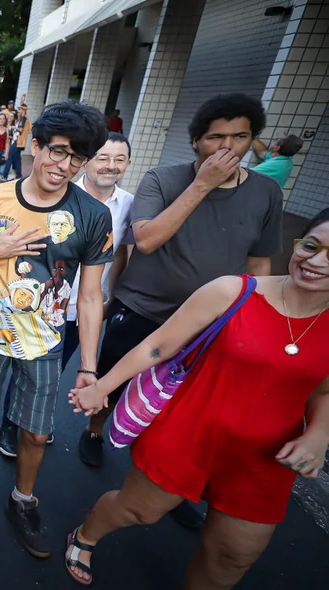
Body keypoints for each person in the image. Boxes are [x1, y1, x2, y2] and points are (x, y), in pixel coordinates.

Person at [64, 210, 329, 587]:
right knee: (137, 511)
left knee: (233, 556)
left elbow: (324, 391)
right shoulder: (234, 291)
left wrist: (318, 435)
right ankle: (84, 535)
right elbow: (158, 347)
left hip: (266, 459)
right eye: (311, 245)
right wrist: (100, 388)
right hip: (187, 434)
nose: (315, 261)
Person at [77, 93, 283, 529]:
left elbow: (261, 265)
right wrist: (202, 185)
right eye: (216, 137)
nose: (227, 147)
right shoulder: (163, 179)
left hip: (212, 326)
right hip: (142, 309)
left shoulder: (266, 192)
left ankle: (157, 482)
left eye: (240, 137)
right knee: (112, 380)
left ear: (253, 140)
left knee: (178, 407)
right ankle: (95, 431)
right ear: (195, 142)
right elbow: (147, 239)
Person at [0, 102, 112, 558]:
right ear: (35, 146)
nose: (65, 167)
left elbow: (89, 295)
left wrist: (88, 366)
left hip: (45, 342)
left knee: (37, 432)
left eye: (77, 159)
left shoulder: (93, 215)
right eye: (57, 152)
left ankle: (23, 499)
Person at [0, 133, 135, 457]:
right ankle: (11, 423)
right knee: (23, 366)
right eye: (102, 158)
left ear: (128, 164)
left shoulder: (128, 204)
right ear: (87, 162)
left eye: (118, 159)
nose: (110, 166)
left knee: (51, 372)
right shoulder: (59, 196)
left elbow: (118, 256)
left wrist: (111, 297)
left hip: (85, 309)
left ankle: (35, 422)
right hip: (41, 305)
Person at [3, 104, 31, 181]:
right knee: (17, 159)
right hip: (18, 141)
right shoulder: (22, 118)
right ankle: (18, 175)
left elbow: (21, 130)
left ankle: (5, 175)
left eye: (20, 109)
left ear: (23, 110)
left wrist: (13, 127)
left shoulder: (24, 118)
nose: (19, 111)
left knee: (9, 157)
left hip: (18, 142)